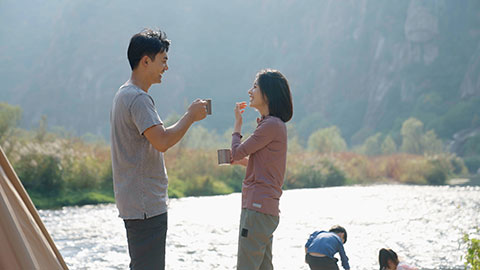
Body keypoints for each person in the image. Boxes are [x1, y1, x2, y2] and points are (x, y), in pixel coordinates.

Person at [110, 28, 207, 270]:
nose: (166, 67)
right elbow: (162, 141)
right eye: (163, 61)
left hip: (134, 203)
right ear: (145, 61)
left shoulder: (123, 94)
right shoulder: (139, 99)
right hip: (145, 205)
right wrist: (190, 116)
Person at [231, 69, 293, 270]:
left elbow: (236, 152)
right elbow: (263, 166)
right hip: (265, 209)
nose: (250, 91)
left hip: (256, 208)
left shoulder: (270, 125)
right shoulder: (273, 125)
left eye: (255, 87)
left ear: (267, 93)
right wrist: (241, 162)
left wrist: (237, 127)